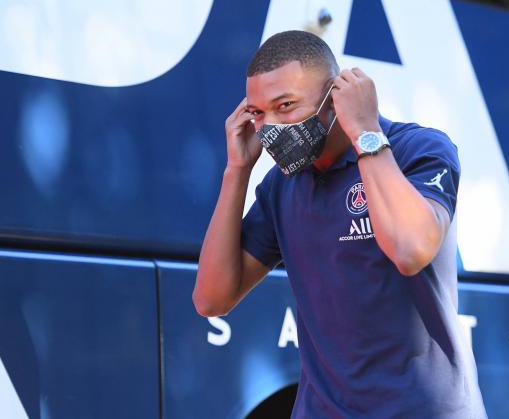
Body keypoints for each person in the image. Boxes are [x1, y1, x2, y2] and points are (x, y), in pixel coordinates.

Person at [193, 30, 487, 418]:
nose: (271, 128)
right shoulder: (281, 187)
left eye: (285, 106)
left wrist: (365, 131)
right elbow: (212, 299)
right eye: (259, 113)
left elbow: (410, 249)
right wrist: (237, 171)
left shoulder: (419, 149)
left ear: (335, 97)